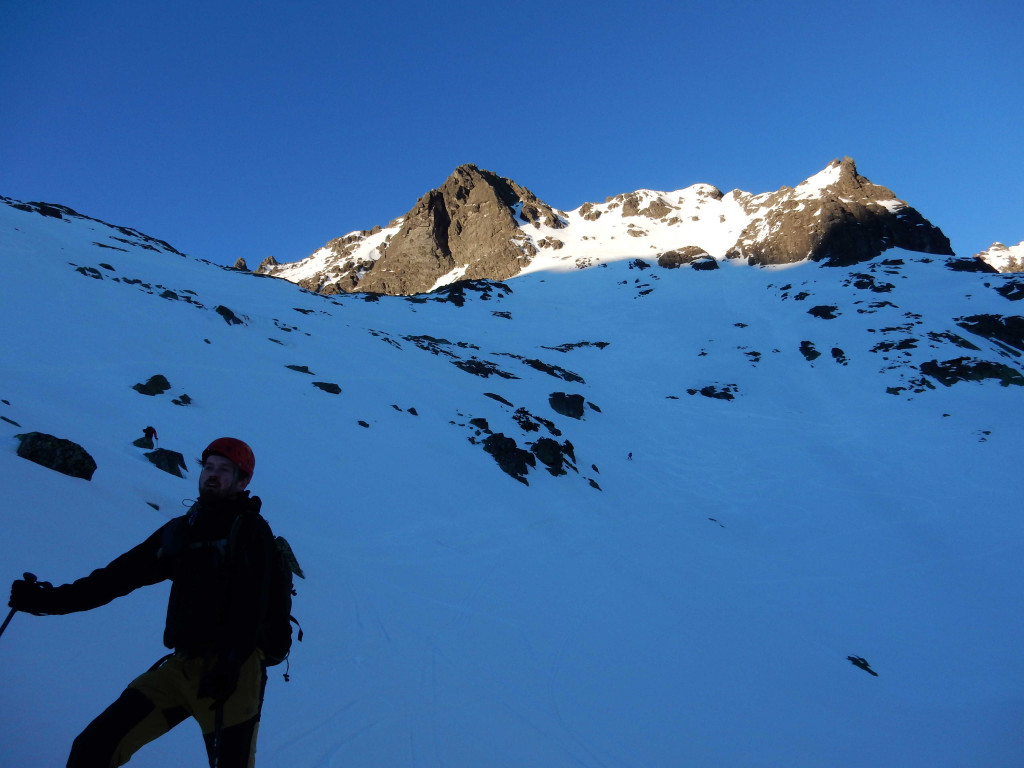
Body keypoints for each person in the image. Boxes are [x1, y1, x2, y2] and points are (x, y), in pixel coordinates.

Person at [9, 437, 276, 768]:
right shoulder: (182, 531)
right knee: (94, 748)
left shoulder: (250, 530)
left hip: (233, 674)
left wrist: (231, 663)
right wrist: (44, 600)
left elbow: (255, 602)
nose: (212, 475)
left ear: (243, 480)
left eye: (224, 470)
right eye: (208, 467)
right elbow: (116, 578)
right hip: (180, 668)